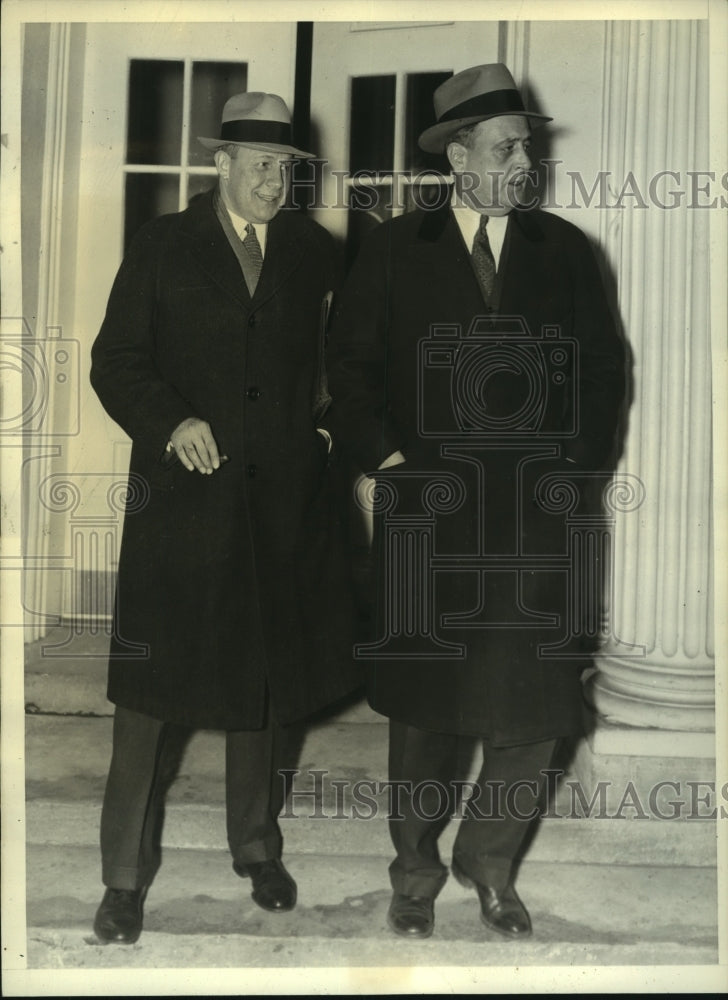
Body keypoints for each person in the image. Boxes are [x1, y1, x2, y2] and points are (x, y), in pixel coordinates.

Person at [327, 64, 625, 939]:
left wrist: (577, 472)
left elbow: (604, 374)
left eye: (527, 147)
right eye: (505, 147)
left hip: (539, 520)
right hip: (431, 514)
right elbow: (348, 371)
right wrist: (386, 460)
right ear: (458, 156)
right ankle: (414, 874)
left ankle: (490, 867)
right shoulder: (390, 250)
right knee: (425, 710)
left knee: (535, 712)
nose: (523, 162)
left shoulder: (566, 252)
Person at [89, 92, 359, 944]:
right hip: (181, 513)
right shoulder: (164, 245)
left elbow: (344, 365)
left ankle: (256, 846)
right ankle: (123, 880)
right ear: (221, 166)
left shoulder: (318, 254)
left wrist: (322, 429)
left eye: (285, 168)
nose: (274, 182)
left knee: (265, 692)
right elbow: (115, 362)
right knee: (148, 705)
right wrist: (173, 421)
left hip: (282, 511)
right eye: (259, 167)